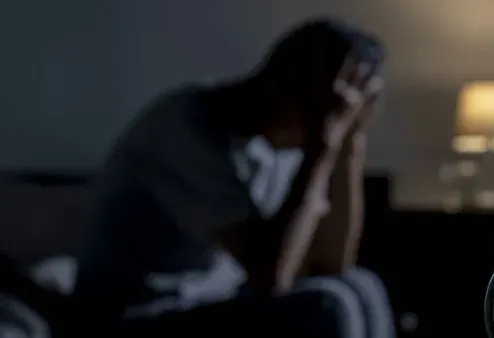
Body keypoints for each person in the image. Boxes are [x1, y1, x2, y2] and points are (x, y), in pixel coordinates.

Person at [69, 18, 395, 338]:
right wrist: (323, 147)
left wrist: (352, 143)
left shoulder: (286, 144)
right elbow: (271, 276)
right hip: (136, 315)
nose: (341, 111)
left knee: (361, 285)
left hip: (209, 304)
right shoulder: (189, 126)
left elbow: (332, 265)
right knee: (327, 306)